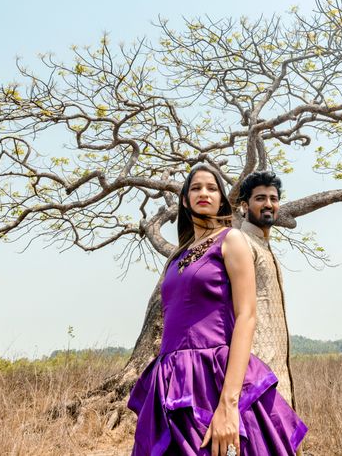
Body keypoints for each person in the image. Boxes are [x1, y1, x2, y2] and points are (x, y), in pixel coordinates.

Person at [128, 163, 308, 456]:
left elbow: (247, 317)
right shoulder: (178, 255)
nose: (204, 193)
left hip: (213, 376)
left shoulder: (231, 239)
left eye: (212, 188)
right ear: (184, 200)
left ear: (221, 200)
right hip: (171, 379)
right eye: (196, 188)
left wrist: (228, 404)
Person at [235, 171, 297, 411]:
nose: (269, 204)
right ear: (244, 205)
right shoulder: (239, 243)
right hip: (254, 375)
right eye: (260, 198)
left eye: (273, 198)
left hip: (278, 373)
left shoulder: (265, 248)